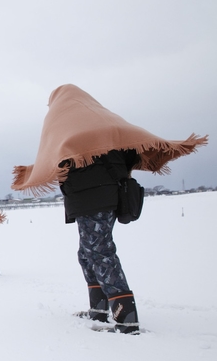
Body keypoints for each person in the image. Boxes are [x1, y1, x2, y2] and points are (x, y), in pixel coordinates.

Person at [11, 84, 207, 334]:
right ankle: (100, 309)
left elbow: (55, 154)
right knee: (87, 252)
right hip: (97, 198)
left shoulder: (63, 122)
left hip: (93, 199)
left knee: (99, 251)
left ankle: (126, 317)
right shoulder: (101, 121)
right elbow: (125, 151)